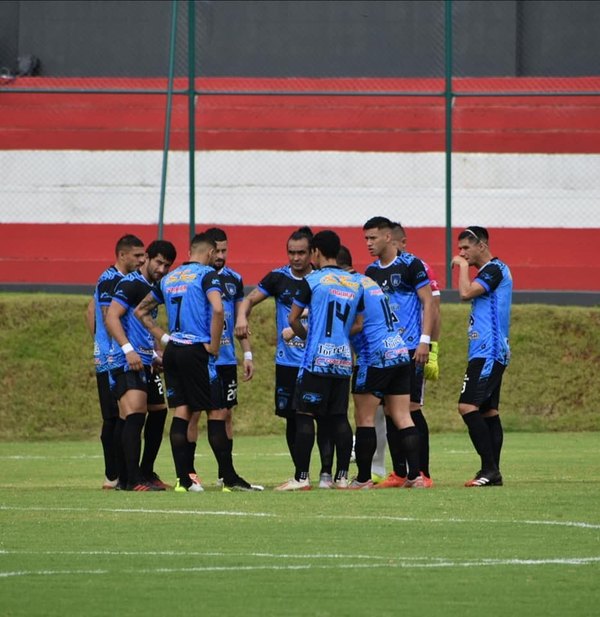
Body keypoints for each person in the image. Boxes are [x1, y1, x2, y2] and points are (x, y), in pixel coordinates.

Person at [135, 233, 257, 492]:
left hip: (175, 351)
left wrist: (165, 337)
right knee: (217, 411)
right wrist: (213, 345)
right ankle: (228, 479)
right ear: (211, 253)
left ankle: (184, 480)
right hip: (197, 351)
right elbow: (218, 308)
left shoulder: (170, 278)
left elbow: (140, 311)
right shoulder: (207, 275)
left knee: (182, 411)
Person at [234, 227, 335, 488]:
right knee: (292, 417)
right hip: (288, 362)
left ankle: (326, 473)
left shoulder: (323, 279)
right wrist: (242, 316)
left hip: (317, 361)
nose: (296, 258)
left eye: (301, 252)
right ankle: (300, 472)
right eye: (291, 252)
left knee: (323, 417)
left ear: (313, 252)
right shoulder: (278, 278)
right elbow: (248, 300)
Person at [275, 230, 363, 491]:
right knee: (338, 418)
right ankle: (342, 477)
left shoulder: (312, 281)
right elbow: (358, 324)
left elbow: (292, 320)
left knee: (303, 414)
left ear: (316, 252)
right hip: (343, 360)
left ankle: (301, 477)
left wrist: (309, 335)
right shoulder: (353, 283)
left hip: (316, 359)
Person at [363, 217, 434, 488]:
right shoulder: (370, 272)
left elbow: (428, 301)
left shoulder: (411, 265)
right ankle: (400, 472)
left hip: (412, 347)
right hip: (385, 351)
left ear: (388, 238)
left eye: (373, 238)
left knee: (411, 409)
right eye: (366, 239)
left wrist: (426, 342)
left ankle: (422, 473)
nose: (368, 244)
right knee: (390, 410)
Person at [342, 246, 422, 489]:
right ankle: (416, 476)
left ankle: (364, 478)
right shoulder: (370, 282)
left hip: (373, 355)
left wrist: (334, 332)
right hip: (398, 350)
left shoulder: (349, 285)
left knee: (364, 418)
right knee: (402, 416)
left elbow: (357, 323)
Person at [191, 227, 262, 490]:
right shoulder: (197, 278)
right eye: (217, 250)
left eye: (224, 250)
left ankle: (225, 474)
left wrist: (247, 353)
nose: (221, 255)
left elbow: (239, 321)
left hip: (226, 359)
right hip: (203, 358)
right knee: (194, 414)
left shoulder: (234, 279)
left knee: (226, 414)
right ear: (208, 251)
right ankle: (189, 475)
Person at [105, 240, 177, 491]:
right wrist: (128, 349)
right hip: (127, 361)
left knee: (158, 412)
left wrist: (155, 355)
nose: (162, 269)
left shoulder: (153, 288)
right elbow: (111, 317)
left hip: (146, 361)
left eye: (167, 265)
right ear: (146, 258)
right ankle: (129, 478)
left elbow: (143, 326)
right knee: (134, 415)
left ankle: (143, 472)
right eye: (158, 262)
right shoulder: (131, 283)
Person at [451, 226, 512, 487]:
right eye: (460, 249)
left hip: (488, 351)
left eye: (466, 248)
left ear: (482, 246)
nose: (462, 253)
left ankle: (489, 469)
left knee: (467, 406)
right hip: (485, 350)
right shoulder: (489, 272)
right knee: (488, 411)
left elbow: (465, 293)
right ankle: (492, 472)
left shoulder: (494, 270)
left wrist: (462, 268)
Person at [86, 234, 146, 489]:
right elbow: (104, 315)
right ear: (122, 255)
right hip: (113, 359)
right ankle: (113, 475)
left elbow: (88, 311)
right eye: (137, 256)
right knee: (114, 418)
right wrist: (108, 349)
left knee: (121, 416)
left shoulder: (118, 279)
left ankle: (122, 474)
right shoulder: (111, 280)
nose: (142, 260)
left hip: (116, 355)